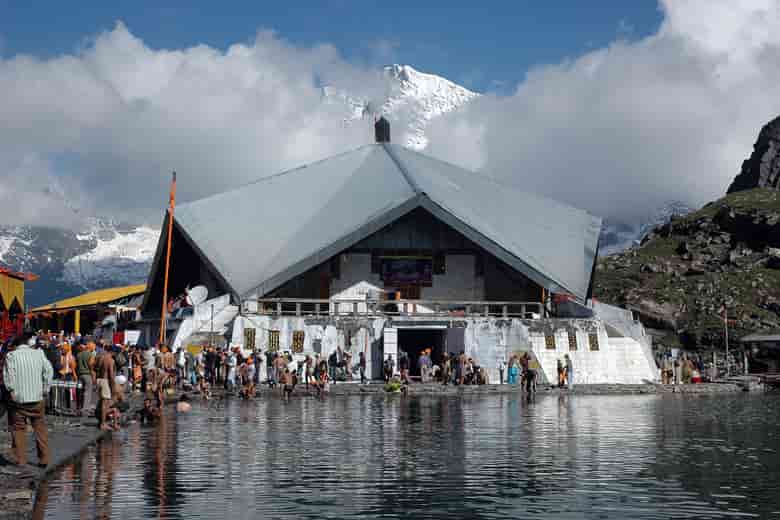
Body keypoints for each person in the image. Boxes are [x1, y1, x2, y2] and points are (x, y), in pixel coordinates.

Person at [4, 334, 54, 467]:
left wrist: (12, 391)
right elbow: (49, 372)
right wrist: (45, 389)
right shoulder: (39, 353)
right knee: (40, 428)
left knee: (19, 429)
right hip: (37, 397)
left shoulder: (11, 356)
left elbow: (9, 377)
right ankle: (44, 458)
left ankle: (21, 460)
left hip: (19, 400)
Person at [95, 347, 116, 431]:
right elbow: (111, 375)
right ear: (113, 352)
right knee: (105, 403)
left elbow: (94, 368)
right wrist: (113, 386)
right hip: (105, 381)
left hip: (99, 380)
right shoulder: (110, 360)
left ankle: (101, 422)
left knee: (101, 402)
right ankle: (103, 424)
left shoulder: (100, 357)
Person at [76, 341, 96, 415]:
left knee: (80, 392)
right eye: (93, 347)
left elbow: (76, 365)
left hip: (79, 375)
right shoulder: (91, 355)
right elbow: (91, 366)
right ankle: (85, 409)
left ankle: (79, 407)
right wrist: (93, 376)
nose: (94, 349)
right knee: (87, 392)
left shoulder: (79, 354)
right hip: (87, 375)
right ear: (91, 347)